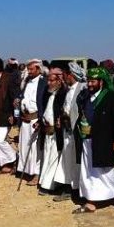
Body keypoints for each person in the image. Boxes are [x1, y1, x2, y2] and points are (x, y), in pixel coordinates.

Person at [72, 67, 114, 214]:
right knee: (88, 170)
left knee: (106, 171)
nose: (90, 84)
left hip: (103, 141)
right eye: (88, 81)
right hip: (87, 140)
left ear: (101, 82)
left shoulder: (110, 97)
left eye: (93, 81)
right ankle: (91, 201)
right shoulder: (85, 96)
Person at [51, 62, 85, 201]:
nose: (64, 78)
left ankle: (75, 189)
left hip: (76, 131)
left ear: (71, 75)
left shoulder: (82, 89)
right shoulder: (69, 89)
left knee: (76, 161)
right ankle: (67, 187)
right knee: (67, 159)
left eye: (65, 75)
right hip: (67, 130)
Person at [39, 68, 69, 193]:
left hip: (57, 133)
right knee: (47, 157)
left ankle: (49, 185)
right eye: (48, 80)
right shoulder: (48, 93)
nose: (49, 83)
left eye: (52, 81)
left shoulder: (63, 94)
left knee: (54, 158)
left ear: (59, 81)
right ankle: (45, 181)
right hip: (47, 131)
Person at [17, 59, 47, 186]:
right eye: (28, 69)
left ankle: (36, 174)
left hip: (36, 119)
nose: (29, 72)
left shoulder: (43, 82)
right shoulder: (26, 82)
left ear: (38, 69)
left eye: (31, 69)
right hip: (25, 119)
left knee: (35, 148)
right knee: (24, 146)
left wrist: (41, 120)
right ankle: (26, 170)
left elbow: (45, 102)